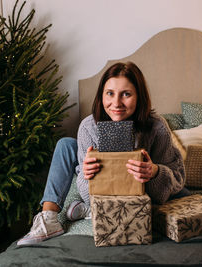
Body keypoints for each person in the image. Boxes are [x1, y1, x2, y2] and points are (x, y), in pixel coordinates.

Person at [17, 61, 187, 246]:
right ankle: (50, 217)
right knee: (66, 144)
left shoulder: (157, 127)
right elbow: (85, 190)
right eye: (110, 93)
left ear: (139, 97)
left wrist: (154, 172)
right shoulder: (88, 127)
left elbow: (174, 182)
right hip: (101, 192)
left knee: (181, 196)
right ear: (101, 95)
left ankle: (88, 211)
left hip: (142, 194)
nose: (116, 103)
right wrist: (88, 176)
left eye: (126, 94)